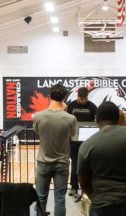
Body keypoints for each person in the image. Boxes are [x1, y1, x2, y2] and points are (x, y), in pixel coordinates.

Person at [77, 101, 126, 216]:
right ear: (118, 117)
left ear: (96, 119)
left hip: (102, 204)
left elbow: (83, 180)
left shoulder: (87, 145)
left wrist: (96, 197)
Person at [33, 84, 77, 216]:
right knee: (60, 199)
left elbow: (37, 132)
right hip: (62, 163)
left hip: (43, 162)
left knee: (40, 198)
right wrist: (66, 111)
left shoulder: (38, 116)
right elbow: (72, 134)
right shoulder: (71, 118)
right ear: (64, 98)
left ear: (49, 96)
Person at [67, 87, 97, 197]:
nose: (84, 101)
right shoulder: (71, 106)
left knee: (88, 165)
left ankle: (88, 188)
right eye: (81, 98)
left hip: (87, 140)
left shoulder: (93, 106)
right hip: (73, 141)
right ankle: (74, 187)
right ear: (77, 96)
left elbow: (97, 121)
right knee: (75, 164)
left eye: (85, 98)